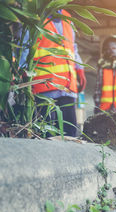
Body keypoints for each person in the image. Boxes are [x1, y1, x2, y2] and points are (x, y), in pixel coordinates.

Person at [32, 9, 86, 137]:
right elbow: (25, 47)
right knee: (47, 132)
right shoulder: (35, 15)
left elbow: (73, 47)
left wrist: (80, 68)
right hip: (45, 85)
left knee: (70, 131)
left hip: (67, 86)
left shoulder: (67, 18)